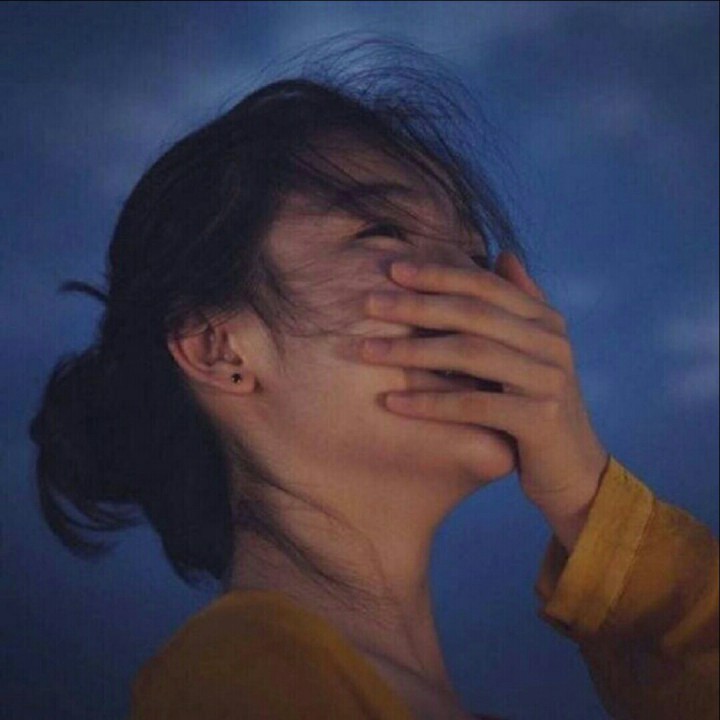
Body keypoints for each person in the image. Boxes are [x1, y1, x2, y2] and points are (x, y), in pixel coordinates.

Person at [29, 41, 718, 720]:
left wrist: (586, 496)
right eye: (382, 230)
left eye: (474, 253)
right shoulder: (238, 674)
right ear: (219, 349)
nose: (472, 283)